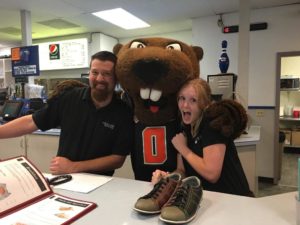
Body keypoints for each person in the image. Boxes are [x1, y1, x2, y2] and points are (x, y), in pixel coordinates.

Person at [0, 51, 134, 176]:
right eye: (95, 72)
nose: (99, 78)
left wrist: (74, 166)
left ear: (116, 78)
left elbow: (117, 159)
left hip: (102, 182)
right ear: (89, 73)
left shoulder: (123, 112)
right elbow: (32, 121)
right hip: (65, 178)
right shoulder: (69, 98)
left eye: (106, 74)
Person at [152, 78, 253, 197]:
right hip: (210, 200)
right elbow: (182, 170)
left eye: (193, 100)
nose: (185, 105)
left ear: (204, 104)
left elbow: (212, 174)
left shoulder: (212, 124)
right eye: (182, 98)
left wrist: (182, 148)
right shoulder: (185, 127)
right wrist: (168, 179)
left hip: (235, 200)